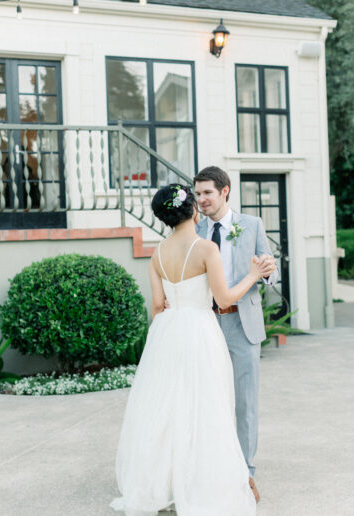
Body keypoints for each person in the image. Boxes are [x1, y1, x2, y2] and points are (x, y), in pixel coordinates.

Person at [110, 183, 262, 516]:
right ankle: (200, 482)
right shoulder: (206, 248)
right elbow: (222, 300)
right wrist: (252, 275)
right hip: (199, 331)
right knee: (206, 405)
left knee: (168, 407)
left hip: (167, 333)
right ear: (192, 209)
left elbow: (156, 306)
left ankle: (164, 482)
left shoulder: (157, 252)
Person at [194, 166, 278, 502]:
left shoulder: (252, 225)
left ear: (225, 191)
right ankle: (213, 466)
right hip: (207, 324)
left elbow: (270, 271)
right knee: (211, 400)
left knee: (245, 403)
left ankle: (245, 473)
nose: (201, 200)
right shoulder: (195, 231)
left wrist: (269, 273)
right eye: (197, 194)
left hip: (243, 326)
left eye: (207, 193)